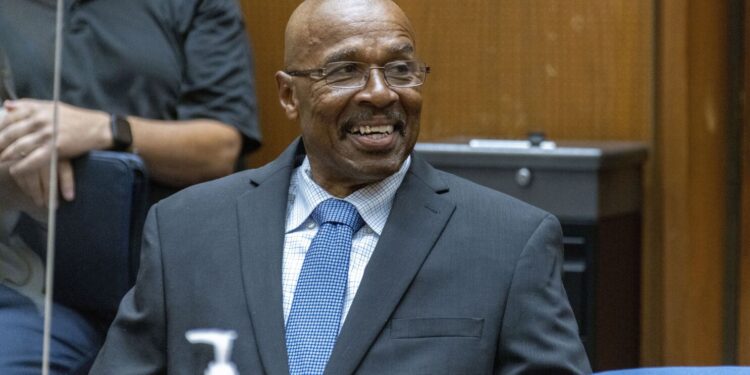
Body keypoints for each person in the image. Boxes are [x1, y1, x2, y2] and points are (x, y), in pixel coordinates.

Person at [91, 0, 591, 373]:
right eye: (345, 70)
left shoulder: (508, 242)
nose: (380, 92)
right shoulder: (186, 230)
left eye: (400, 69)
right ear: (289, 95)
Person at [0, 0, 261, 373]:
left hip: (175, 284)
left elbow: (220, 148)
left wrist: (106, 130)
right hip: (38, 289)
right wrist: (21, 140)